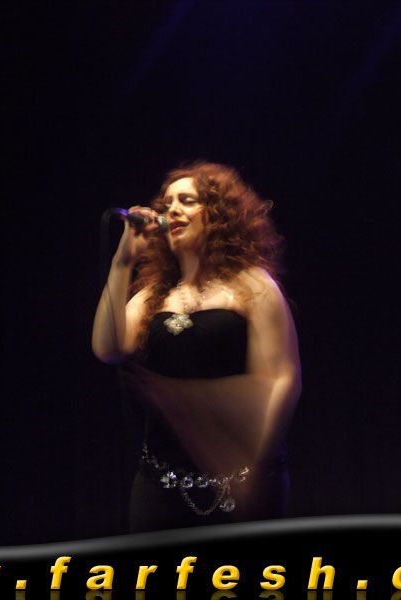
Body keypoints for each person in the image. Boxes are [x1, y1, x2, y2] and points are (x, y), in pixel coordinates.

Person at [92, 161, 301, 532]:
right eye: (168, 203)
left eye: (186, 201)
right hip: (160, 485)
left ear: (217, 215)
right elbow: (108, 348)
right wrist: (123, 262)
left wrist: (254, 464)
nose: (172, 210)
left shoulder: (252, 285)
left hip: (241, 483)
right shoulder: (155, 296)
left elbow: (282, 379)